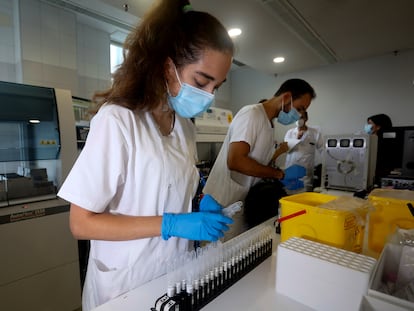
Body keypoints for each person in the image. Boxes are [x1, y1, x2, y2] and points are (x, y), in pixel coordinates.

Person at [57, 1, 235, 309]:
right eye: (202, 82)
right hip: (125, 283)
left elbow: (170, 184)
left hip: (173, 275)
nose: (208, 96)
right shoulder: (118, 121)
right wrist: (170, 224)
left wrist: (200, 199)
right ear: (168, 67)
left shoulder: (184, 128)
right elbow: (81, 223)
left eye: (216, 87)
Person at [203, 78, 316, 239]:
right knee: (221, 259)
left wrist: (278, 174)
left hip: (243, 202)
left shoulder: (268, 124)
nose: (299, 115)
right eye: (299, 108)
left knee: (241, 254)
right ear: (286, 98)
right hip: (224, 203)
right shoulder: (252, 114)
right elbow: (236, 160)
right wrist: (280, 175)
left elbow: (258, 165)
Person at [284, 111, 324, 192]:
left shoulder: (315, 133)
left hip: (306, 174)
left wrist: (327, 167)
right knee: (290, 197)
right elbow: (285, 149)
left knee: (304, 197)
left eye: (301, 117)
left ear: (306, 118)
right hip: (291, 171)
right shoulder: (290, 132)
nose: (298, 120)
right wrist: (297, 138)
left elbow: (323, 150)